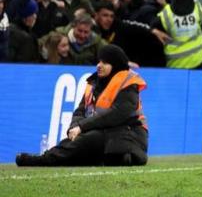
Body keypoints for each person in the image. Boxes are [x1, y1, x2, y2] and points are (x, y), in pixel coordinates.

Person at [16, 44, 148, 166]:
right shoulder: (94, 84)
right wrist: (74, 127)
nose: (99, 65)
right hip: (106, 133)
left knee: (86, 140)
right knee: (76, 143)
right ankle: (46, 158)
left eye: (105, 62)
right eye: (99, 61)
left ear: (116, 65)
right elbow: (80, 111)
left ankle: (41, 160)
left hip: (131, 135)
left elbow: (117, 114)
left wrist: (82, 127)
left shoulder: (128, 83)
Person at [153, 0, 202, 69]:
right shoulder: (198, 8)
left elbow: (153, 27)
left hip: (175, 62)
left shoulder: (166, 13)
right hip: (198, 59)